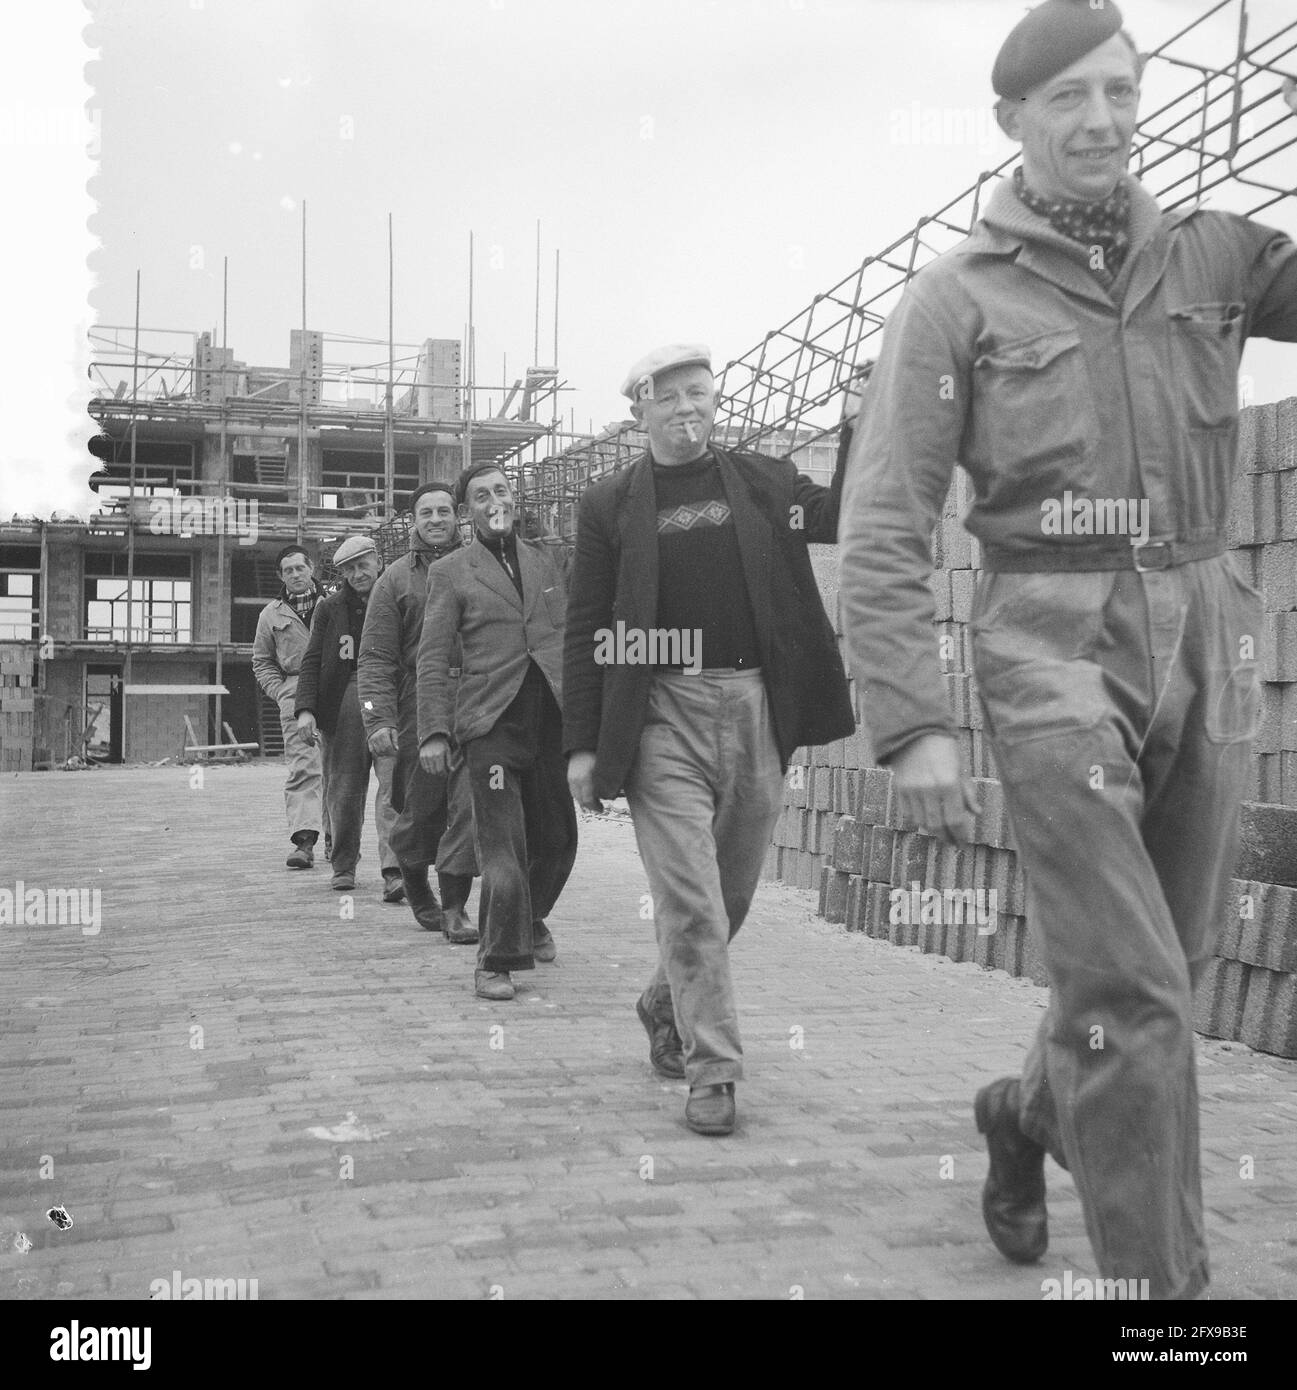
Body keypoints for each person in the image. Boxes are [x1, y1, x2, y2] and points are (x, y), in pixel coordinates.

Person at [837, 0, 1297, 1299]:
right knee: (1140, 993)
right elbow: (883, 512)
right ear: (1011, 123)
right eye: (1066, 101)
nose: (1099, 121)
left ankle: (1027, 1112)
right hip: (1048, 645)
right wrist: (910, 715)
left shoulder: (1210, 256)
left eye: (1118, 92)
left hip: (1207, 629)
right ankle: (1170, 1302)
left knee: (1166, 957)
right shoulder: (956, 301)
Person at [563, 344, 855, 1136]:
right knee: (689, 900)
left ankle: (665, 1001)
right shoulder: (609, 506)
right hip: (660, 712)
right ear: (639, 413)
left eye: (699, 392)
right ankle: (714, 1071)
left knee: (728, 895)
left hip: (754, 705)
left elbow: (840, 515)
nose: (687, 407)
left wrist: (862, 417)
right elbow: (588, 627)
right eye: (669, 397)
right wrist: (582, 746)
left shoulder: (762, 483)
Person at [417, 463, 576, 1000]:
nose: (494, 501)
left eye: (501, 491)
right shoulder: (452, 572)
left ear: (514, 499)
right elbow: (433, 657)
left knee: (558, 843)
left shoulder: (543, 561)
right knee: (504, 850)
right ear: (467, 513)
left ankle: (527, 921)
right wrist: (434, 731)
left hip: (548, 723)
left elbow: (562, 640)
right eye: (481, 496)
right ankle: (496, 961)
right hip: (491, 726)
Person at [358, 483, 479, 941]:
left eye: (444, 511)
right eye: (426, 512)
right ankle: (413, 882)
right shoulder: (394, 579)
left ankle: (455, 907)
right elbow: (373, 657)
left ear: (457, 516)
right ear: (414, 520)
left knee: (466, 805)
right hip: (415, 703)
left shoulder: (477, 566)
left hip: (473, 698)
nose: (435, 519)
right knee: (417, 806)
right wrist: (378, 719)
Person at [295, 535, 401, 895]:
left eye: (363, 565)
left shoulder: (397, 597)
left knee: (393, 784)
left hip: (388, 696)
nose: (358, 574)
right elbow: (312, 660)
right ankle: (343, 865)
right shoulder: (330, 608)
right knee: (344, 788)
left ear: (378, 561)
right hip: (345, 699)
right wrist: (306, 709)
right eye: (349, 569)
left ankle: (394, 871)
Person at [252, 544, 331, 868]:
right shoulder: (271, 615)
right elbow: (262, 661)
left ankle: (338, 841)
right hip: (297, 696)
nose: (295, 575)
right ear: (280, 576)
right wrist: (283, 691)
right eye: (288, 570)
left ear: (311, 569)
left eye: (300, 568)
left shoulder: (336, 604)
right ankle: (304, 843)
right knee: (304, 768)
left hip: (337, 690)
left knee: (339, 770)